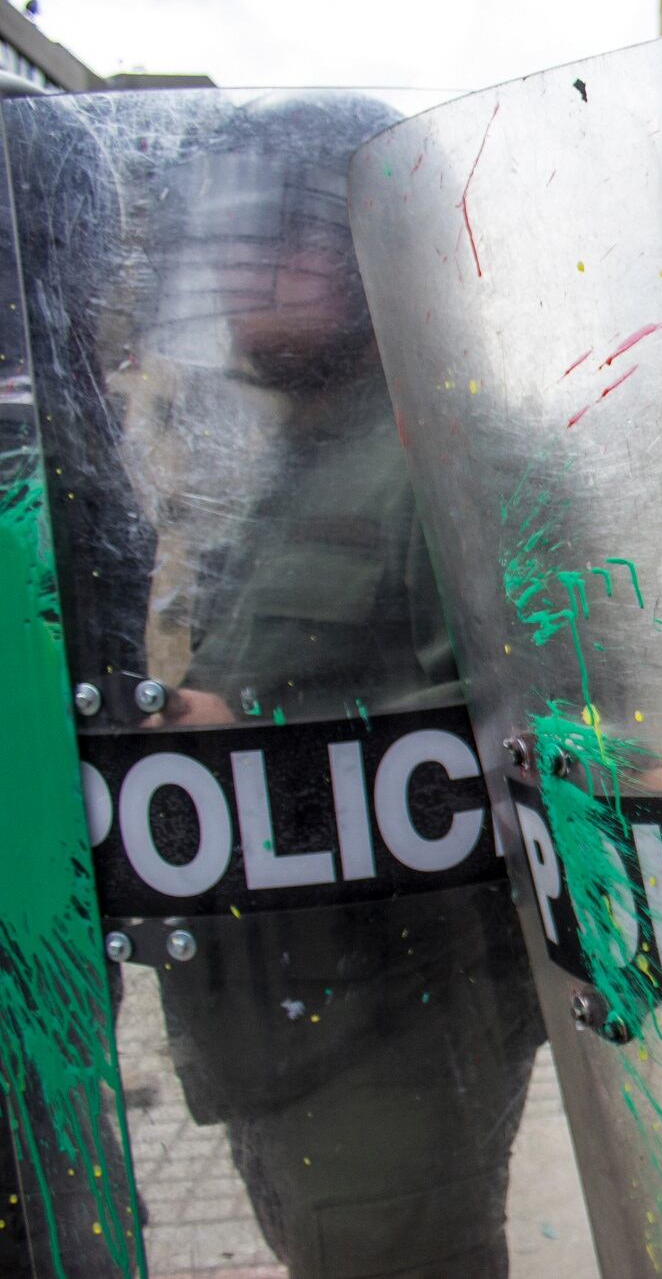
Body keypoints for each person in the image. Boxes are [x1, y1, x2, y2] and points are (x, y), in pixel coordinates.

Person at [19, 89, 544, 1278]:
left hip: (397, 1026)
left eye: (272, 229)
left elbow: (546, 749)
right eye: (223, 232)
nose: (230, 265)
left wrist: (217, 752)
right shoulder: (299, 457)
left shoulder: (450, 448)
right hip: (275, 1026)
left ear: (362, 239)